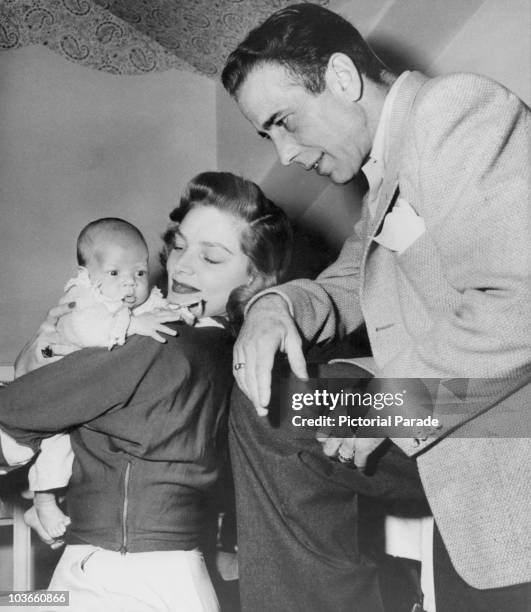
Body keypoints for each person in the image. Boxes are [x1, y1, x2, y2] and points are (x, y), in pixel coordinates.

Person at [221, 4, 531, 612]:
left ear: (341, 77)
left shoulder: (452, 111)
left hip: (506, 433)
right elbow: (344, 280)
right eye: (268, 136)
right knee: (275, 411)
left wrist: (394, 407)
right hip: (455, 432)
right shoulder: (384, 172)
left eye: (284, 121)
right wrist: (273, 305)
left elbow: (520, 297)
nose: (283, 154)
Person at [0, 171, 292, 612]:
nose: (181, 267)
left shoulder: (159, 343)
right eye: (178, 246)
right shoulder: (235, 353)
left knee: (13, 601)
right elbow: (413, 404)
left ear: (256, 278)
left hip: (112, 573)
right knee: (18, 602)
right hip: (180, 577)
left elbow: (16, 407)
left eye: (211, 258)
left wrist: (36, 359)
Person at [23, 217, 193, 548]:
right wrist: (132, 323)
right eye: (115, 273)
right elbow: (86, 328)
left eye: (139, 273)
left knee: (82, 456)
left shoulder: (139, 302)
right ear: (86, 274)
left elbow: (158, 311)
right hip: (62, 391)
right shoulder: (82, 296)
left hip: (95, 396)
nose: (130, 284)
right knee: (57, 444)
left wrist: (180, 312)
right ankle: (42, 502)